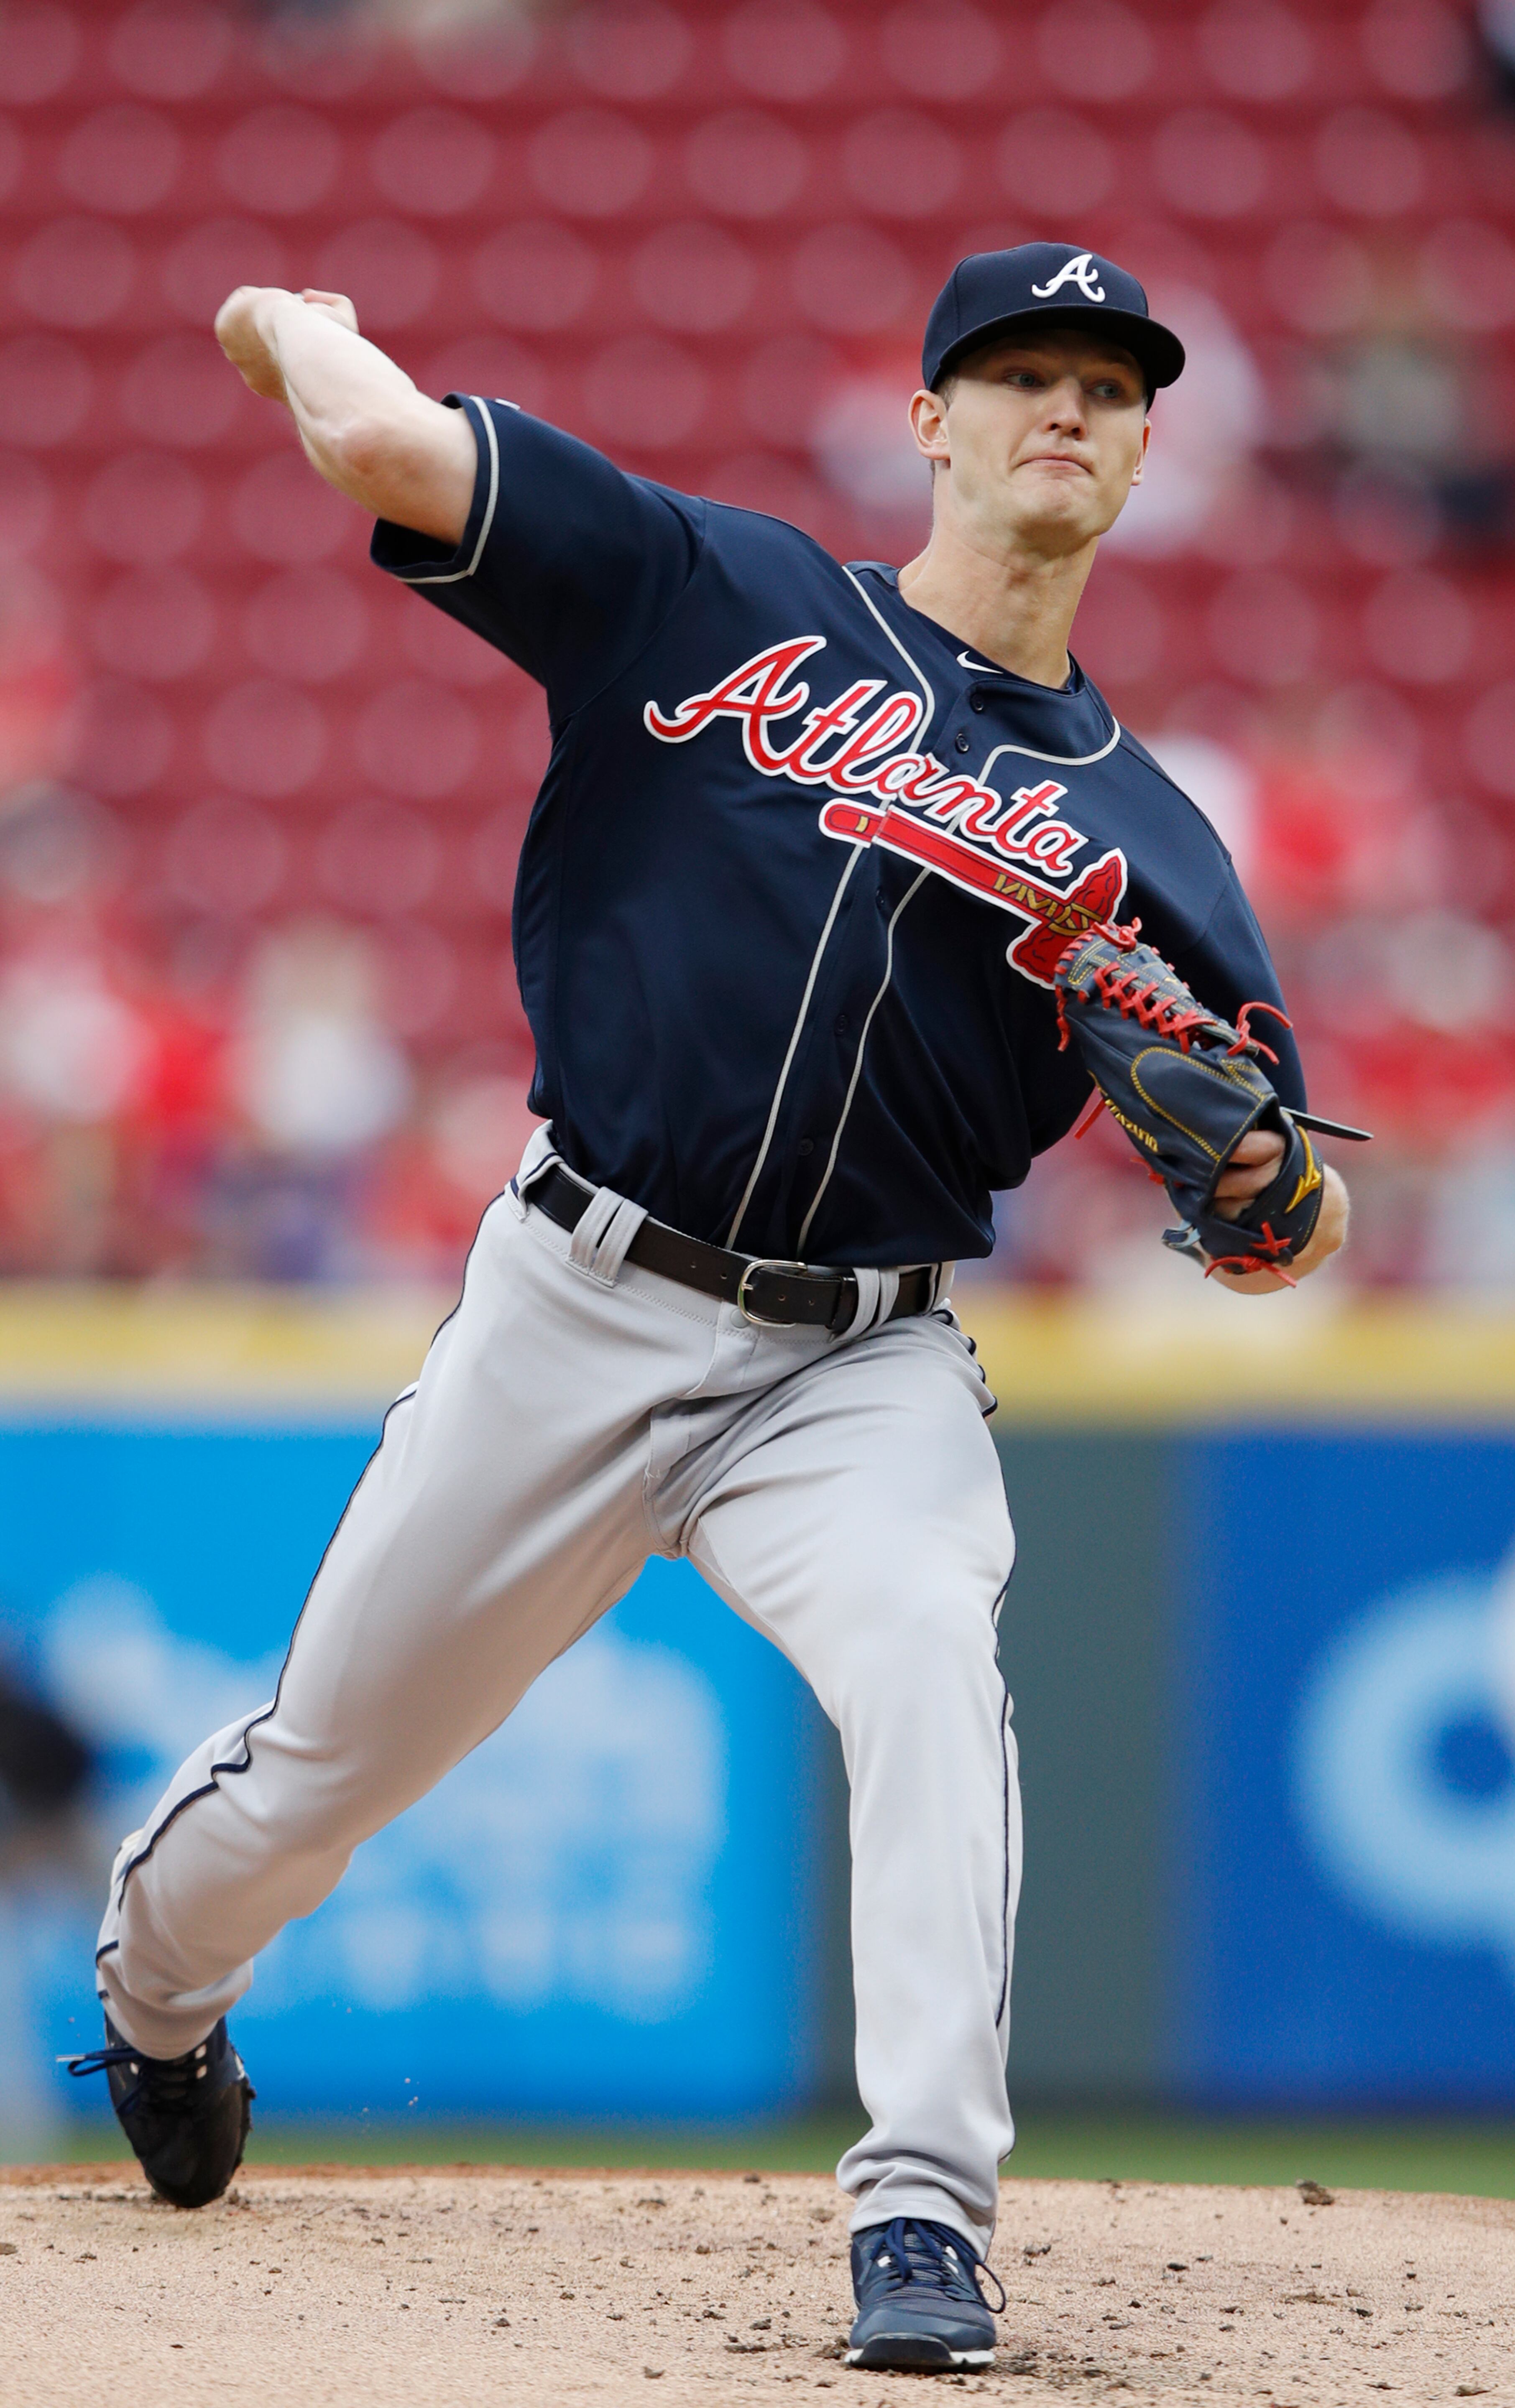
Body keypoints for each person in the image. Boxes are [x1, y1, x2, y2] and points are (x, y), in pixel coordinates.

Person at [69, 242, 1348, 2373]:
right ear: (928, 421)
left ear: (1143, 454)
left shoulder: (1155, 846)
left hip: (857, 1359)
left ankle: (926, 2206)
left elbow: (1284, 1223)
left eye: (1108, 390)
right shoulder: (719, 589)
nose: (1065, 409)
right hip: (574, 1297)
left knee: (936, 1651)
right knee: (319, 1780)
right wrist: (287, 317)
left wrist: (1260, 1190)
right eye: (1018, 373)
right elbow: (388, 446)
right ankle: (156, 2002)